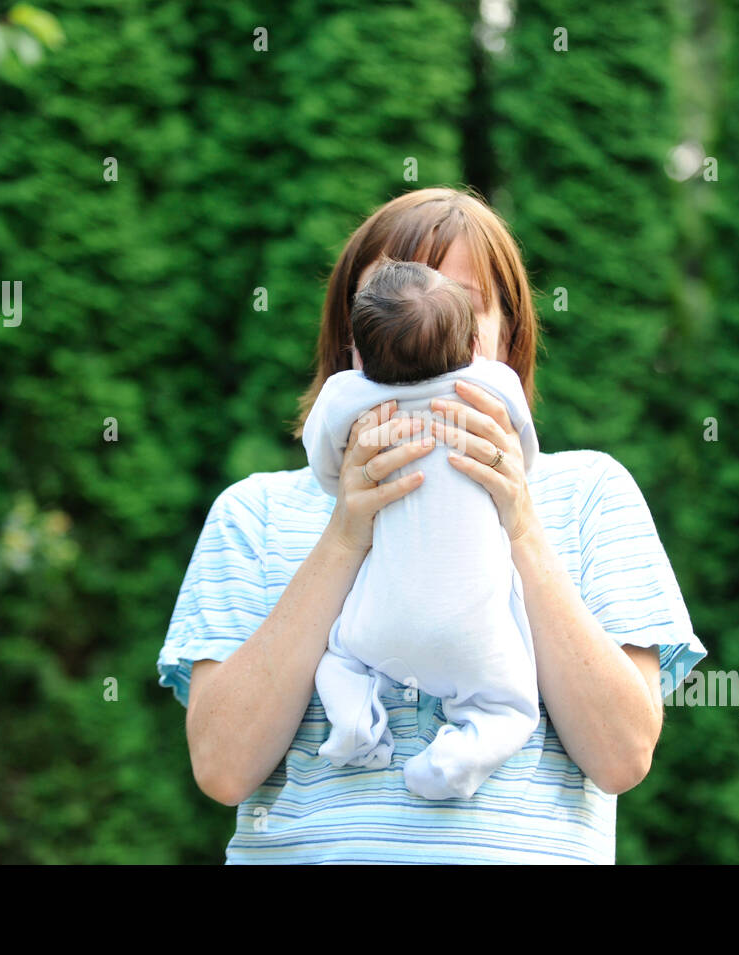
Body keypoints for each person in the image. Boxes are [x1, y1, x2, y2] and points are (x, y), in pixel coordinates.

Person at [158, 186, 708, 863]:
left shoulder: (591, 494)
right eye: (392, 302)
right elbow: (221, 766)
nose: (426, 331)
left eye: (462, 306)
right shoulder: (254, 513)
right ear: (349, 341)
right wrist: (343, 537)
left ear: (506, 339)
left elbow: (622, 754)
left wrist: (522, 529)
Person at [301, 258, 541, 800]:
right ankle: (455, 763)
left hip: (378, 626)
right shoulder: (495, 382)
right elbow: (523, 457)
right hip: (475, 630)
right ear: (475, 346)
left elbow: (322, 465)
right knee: (509, 707)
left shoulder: (346, 393)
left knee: (339, 658)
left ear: (358, 352)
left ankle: (356, 726)